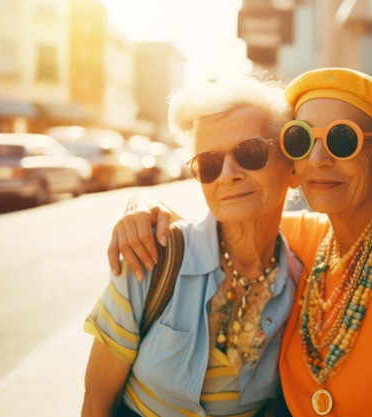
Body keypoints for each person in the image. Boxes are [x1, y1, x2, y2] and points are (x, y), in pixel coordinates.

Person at [109, 68, 372, 417]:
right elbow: (227, 221)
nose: (318, 158)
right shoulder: (312, 241)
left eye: (342, 140)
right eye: (301, 140)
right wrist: (144, 205)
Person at [81, 75, 303, 417]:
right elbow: (96, 403)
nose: (228, 174)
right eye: (209, 164)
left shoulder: (303, 287)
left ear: (292, 169)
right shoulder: (151, 257)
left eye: (251, 152)